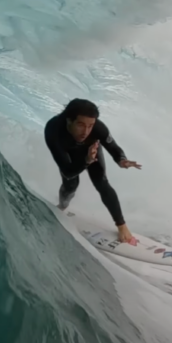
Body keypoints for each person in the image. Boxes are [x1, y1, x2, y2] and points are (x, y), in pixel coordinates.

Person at [44, 99, 142, 243]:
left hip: (90, 151)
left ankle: (122, 226)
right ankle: (62, 206)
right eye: (81, 125)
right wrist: (87, 160)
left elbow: (113, 148)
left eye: (90, 126)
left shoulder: (98, 128)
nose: (86, 131)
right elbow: (68, 171)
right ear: (69, 120)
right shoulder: (53, 130)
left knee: (101, 183)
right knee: (71, 184)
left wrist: (121, 160)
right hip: (69, 155)